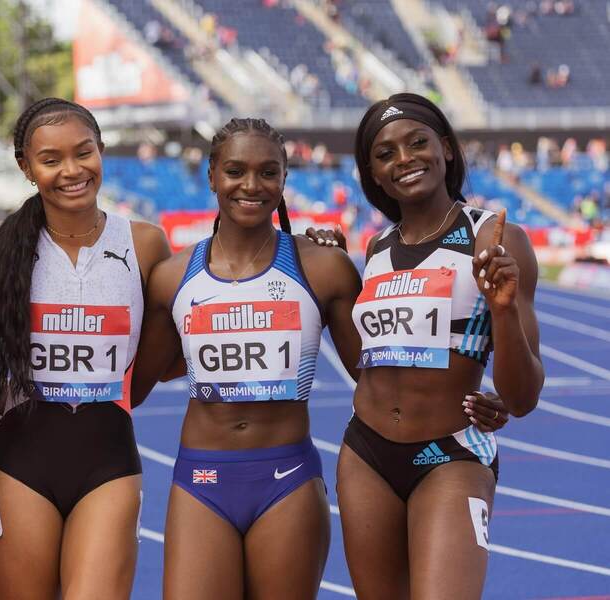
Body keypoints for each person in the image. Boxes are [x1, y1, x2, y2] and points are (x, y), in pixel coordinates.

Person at [132, 116, 510, 600]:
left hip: (286, 481)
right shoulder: (172, 276)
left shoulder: (324, 267)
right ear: (211, 175)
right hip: (201, 477)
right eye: (235, 171)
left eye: (269, 172)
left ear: (285, 179)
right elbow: (137, 380)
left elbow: (378, 371)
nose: (252, 185)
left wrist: (476, 394)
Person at [0, 98, 170, 600]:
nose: (72, 170)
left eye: (84, 153)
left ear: (101, 151)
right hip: (20, 459)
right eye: (51, 160)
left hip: (109, 457)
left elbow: (171, 346)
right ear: (26, 168)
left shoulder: (144, 243)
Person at [335, 93, 542, 599]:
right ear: (374, 176)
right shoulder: (375, 249)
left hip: (450, 453)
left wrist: (503, 308)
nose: (403, 159)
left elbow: (523, 397)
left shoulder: (495, 238)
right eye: (384, 154)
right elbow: (372, 362)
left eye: (417, 142)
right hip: (366, 454)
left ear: (446, 149)